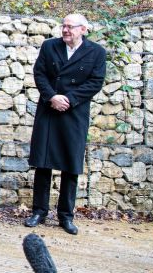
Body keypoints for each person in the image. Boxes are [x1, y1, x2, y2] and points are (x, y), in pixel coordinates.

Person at [24, 13, 106, 235]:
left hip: (75, 112)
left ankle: (65, 216)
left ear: (83, 29)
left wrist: (69, 99)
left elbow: (96, 82)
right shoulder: (49, 46)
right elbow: (39, 73)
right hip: (49, 109)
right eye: (64, 26)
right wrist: (52, 97)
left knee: (71, 164)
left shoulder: (96, 52)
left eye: (70, 27)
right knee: (43, 162)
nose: (65, 30)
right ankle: (39, 211)